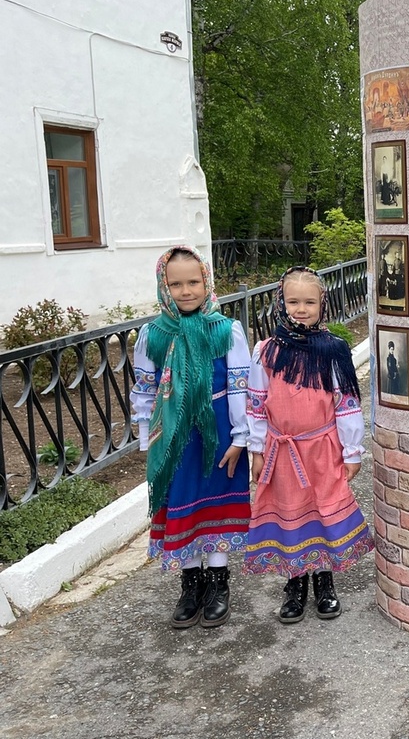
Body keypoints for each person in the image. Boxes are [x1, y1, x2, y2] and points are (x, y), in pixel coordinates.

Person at [130, 246, 251, 629]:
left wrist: (241, 437)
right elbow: (145, 389)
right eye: (176, 283)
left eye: (194, 282)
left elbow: (239, 387)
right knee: (182, 500)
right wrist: (147, 438)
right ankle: (190, 584)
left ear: (207, 281)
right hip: (174, 438)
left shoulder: (225, 330)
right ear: (163, 286)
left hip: (218, 435)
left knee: (213, 504)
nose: (186, 291)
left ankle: (218, 584)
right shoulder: (153, 334)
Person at [244, 267, 373, 623]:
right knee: (289, 512)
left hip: (322, 448)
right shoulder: (266, 351)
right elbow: (256, 404)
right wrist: (257, 450)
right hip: (281, 451)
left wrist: (351, 451)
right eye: (293, 301)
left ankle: (324, 581)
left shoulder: (333, 350)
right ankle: (295, 583)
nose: (301, 308)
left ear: (322, 304)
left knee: (321, 511)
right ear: (280, 303)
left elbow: (345, 403)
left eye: (309, 302)